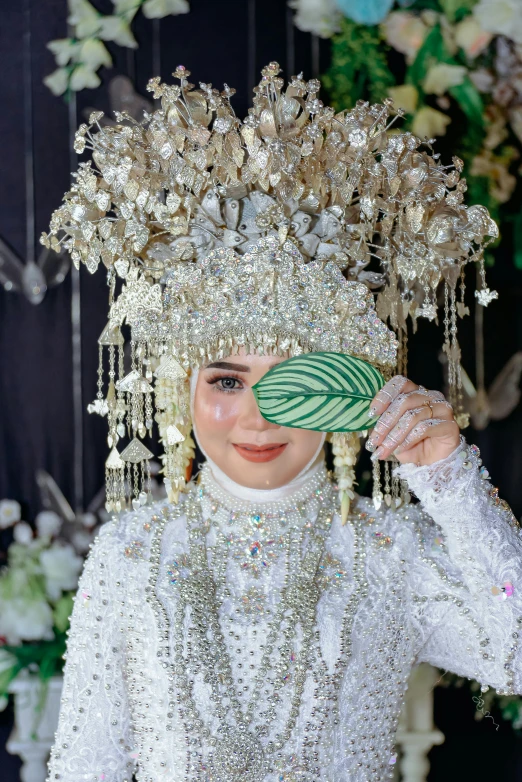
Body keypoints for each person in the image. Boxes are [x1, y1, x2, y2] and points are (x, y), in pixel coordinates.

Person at [43, 63, 522, 782]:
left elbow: (512, 654)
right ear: (182, 389)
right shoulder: (132, 552)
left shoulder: (390, 549)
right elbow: (84, 767)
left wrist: (448, 474)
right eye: (228, 379)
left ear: (340, 389)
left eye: (293, 382)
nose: (260, 416)